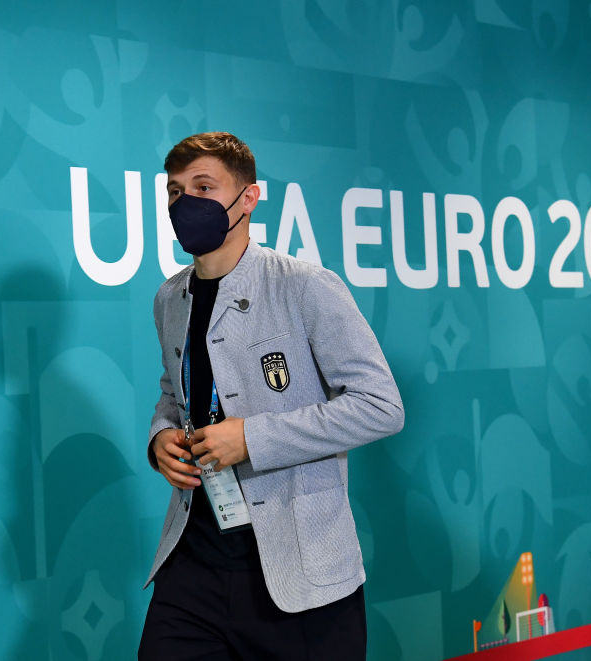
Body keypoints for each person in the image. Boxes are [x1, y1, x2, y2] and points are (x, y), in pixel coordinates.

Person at [139, 132, 404, 660]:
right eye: (175, 191)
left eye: (203, 187)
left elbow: (381, 406)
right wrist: (161, 437)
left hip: (298, 573)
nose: (185, 202)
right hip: (192, 564)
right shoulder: (170, 297)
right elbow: (174, 392)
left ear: (249, 198)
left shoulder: (306, 285)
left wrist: (253, 439)